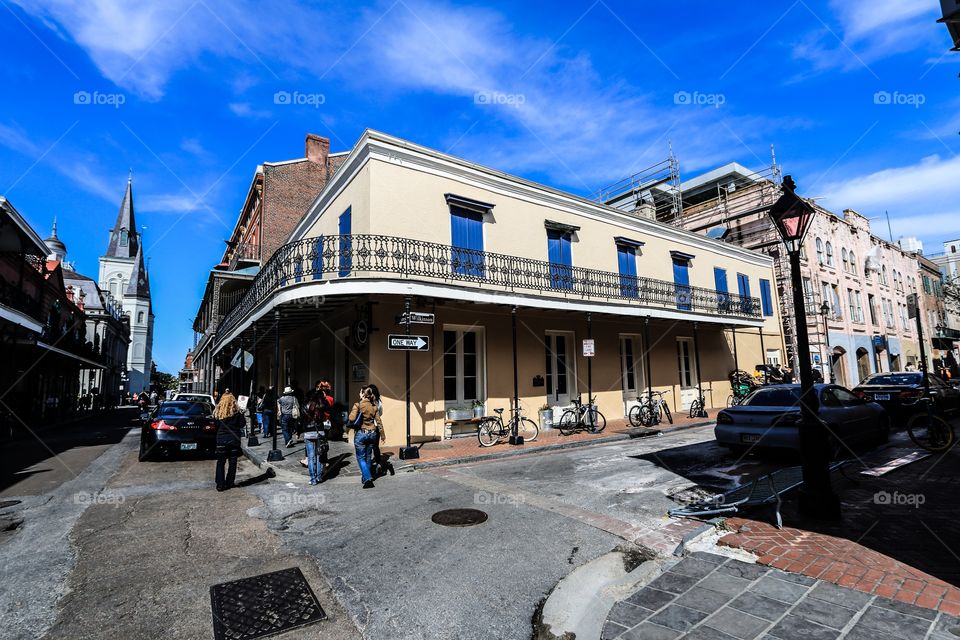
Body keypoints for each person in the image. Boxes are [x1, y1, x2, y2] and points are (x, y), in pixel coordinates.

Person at [347, 386, 384, 488]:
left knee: (360, 458)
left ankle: (368, 478)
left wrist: (355, 410)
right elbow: (379, 422)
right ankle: (365, 477)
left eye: (360, 393)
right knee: (368, 457)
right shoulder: (374, 406)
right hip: (372, 433)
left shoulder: (358, 405)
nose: (359, 394)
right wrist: (383, 436)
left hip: (361, 433)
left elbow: (351, 418)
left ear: (363, 394)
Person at [213, 392, 245, 491]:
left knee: (220, 462)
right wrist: (242, 414)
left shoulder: (218, 412)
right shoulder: (236, 412)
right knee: (233, 462)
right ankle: (229, 482)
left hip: (221, 440)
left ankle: (220, 484)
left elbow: (216, 426)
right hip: (234, 440)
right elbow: (242, 424)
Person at [366, 384, 394, 477]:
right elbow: (381, 413)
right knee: (375, 447)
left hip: (367, 427)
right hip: (376, 427)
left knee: (368, 447)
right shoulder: (379, 402)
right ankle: (378, 464)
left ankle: (368, 468)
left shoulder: (366, 402)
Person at [301, 391, 328, 485]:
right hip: (319, 432)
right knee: (319, 455)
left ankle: (313, 479)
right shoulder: (320, 405)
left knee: (311, 457)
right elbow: (326, 414)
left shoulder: (305, 406)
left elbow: (301, 420)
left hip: (308, 433)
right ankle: (319, 477)